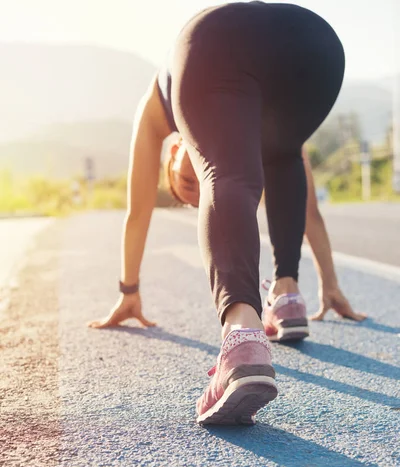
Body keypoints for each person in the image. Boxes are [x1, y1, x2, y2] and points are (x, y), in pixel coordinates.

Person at [89, 2, 365, 425]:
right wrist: (329, 284)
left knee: (227, 174)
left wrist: (128, 290)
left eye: (186, 180)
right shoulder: (248, 122)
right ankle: (287, 296)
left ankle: (242, 335)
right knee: (282, 155)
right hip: (312, 48)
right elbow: (304, 201)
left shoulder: (158, 107)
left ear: (177, 148)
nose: (195, 185)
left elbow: (137, 210)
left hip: (223, 37)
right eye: (194, 194)